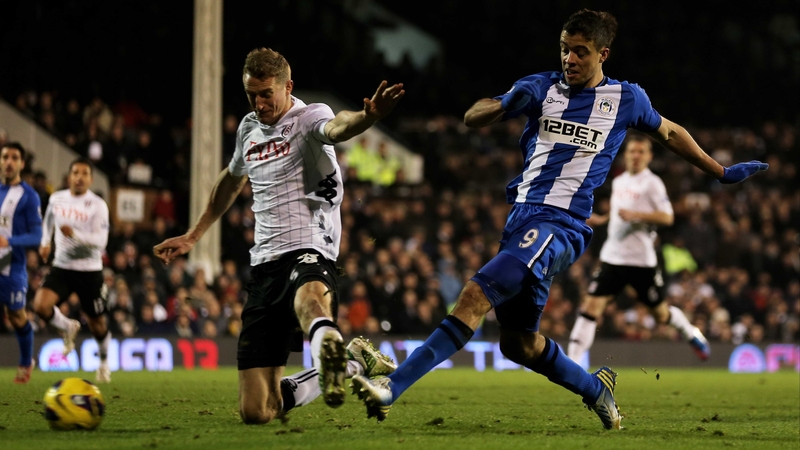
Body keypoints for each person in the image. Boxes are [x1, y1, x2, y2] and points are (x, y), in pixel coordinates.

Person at [351, 9, 768, 430]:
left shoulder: (626, 99)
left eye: (580, 52)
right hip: (522, 222)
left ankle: (392, 386)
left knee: (476, 296)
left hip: (561, 225)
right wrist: (501, 105)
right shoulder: (540, 87)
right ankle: (596, 389)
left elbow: (670, 132)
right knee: (518, 344)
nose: (569, 59)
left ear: (603, 54)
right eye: (565, 49)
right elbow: (474, 115)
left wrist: (719, 172)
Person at [153, 47, 404, 425]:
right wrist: (194, 234)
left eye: (266, 93)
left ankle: (331, 354)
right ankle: (349, 360)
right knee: (258, 411)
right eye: (251, 94)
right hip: (264, 264)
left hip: (310, 246)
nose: (259, 102)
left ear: (288, 87)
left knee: (310, 302)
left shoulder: (309, 116)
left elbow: (338, 126)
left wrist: (368, 116)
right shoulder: (248, 129)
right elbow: (232, 178)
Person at [566, 134, 710, 367]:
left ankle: (690, 333)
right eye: (632, 151)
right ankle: (572, 365)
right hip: (613, 258)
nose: (636, 156)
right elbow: (619, 211)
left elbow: (667, 217)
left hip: (641, 262)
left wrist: (637, 216)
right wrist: (603, 219)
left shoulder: (652, 183)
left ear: (649, 157)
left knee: (660, 314)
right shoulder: (620, 181)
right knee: (591, 307)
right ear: (626, 155)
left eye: (641, 152)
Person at [33, 157, 112, 383]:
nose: (79, 177)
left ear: (91, 178)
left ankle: (104, 363)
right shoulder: (57, 199)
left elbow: (101, 242)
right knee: (40, 306)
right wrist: (45, 242)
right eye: (75, 173)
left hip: (90, 271)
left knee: (98, 324)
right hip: (63, 267)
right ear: (69, 176)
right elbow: (48, 219)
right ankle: (68, 326)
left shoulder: (98, 205)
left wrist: (75, 236)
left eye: (84, 173)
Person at [0, 143, 42, 383]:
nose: (9, 162)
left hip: (11, 262)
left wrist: (9, 241)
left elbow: (36, 236)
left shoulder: (29, 196)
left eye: (14, 157)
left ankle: (26, 362)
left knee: (16, 316)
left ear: (22, 164)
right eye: (5, 156)